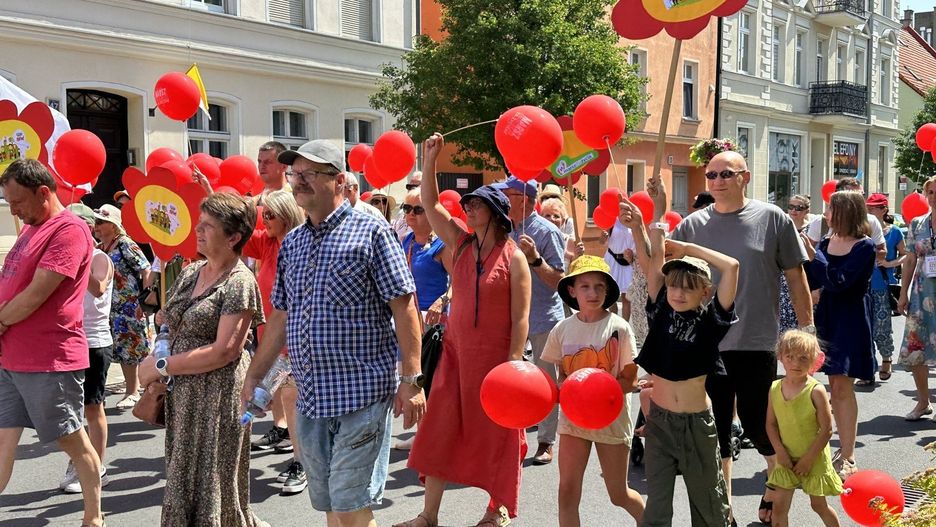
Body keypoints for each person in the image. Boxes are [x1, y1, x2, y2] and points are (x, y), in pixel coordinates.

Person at [242, 139, 425, 527]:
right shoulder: (292, 242)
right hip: (311, 397)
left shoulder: (371, 231)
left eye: (310, 173)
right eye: (295, 173)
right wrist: (255, 375)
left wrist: (412, 379)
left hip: (362, 394)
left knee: (351, 505)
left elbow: (404, 307)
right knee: (330, 504)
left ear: (340, 181)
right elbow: (279, 318)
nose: (299, 181)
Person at [670, 151, 813, 525]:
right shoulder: (692, 225)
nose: (716, 180)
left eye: (725, 174)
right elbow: (667, 276)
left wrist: (806, 330)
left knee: (759, 424)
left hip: (756, 339)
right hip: (707, 345)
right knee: (714, 431)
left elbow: (797, 278)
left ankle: (774, 495)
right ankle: (724, 512)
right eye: (711, 174)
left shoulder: (772, 218)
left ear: (745, 176)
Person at [397, 134, 531, 527]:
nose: (469, 209)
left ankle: (497, 509)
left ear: (495, 211)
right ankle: (429, 514)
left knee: (500, 437)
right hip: (456, 358)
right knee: (439, 431)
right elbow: (431, 203)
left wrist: (512, 364)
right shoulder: (459, 241)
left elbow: (520, 317)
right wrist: (431, 160)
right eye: (468, 204)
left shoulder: (515, 257)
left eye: (476, 204)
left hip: (495, 362)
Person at [138, 192, 267, 526]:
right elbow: (166, 319)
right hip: (184, 394)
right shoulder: (191, 271)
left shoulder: (240, 282)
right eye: (200, 223)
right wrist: (159, 343)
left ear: (234, 237)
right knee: (183, 472)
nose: (198, 230)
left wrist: (162, 365)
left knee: (213, 477)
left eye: (209, 226)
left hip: (218, 395)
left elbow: (225, 350)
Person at [622, 181, 739, 527]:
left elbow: (732, 267)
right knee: (657, 509)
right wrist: (652, 215)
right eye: (673, 285)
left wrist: (690, 248)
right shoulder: (660, 310)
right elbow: (654, 258)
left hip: (697, 425)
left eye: (688, 288)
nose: (678, 292)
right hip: (659, 424)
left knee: (710, 510)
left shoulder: (711, 321)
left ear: (705, 292)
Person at [0, 159, 104, 527]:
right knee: (2, 442)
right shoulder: (32, 227)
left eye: (17, 202)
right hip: (13, 356)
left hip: (49, 359)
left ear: (44, 192)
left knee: (73, 441)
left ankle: (94, 516)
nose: (12, 210)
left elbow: (37, 293)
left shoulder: (70, 230)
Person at [541, 255, 644, 526]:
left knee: (618, 494)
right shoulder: (562, 329)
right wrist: (564, 390)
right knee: (567, 492)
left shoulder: (619, 328)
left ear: (608, 291)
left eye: (599, 286)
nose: (593, 292)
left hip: (611, 420)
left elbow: (630, 381)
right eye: (585, 286)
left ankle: (652, 521)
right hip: (573, 421)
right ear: (572, 291)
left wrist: (595, 394)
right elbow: (561, 375)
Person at [496, 175, 566, 465]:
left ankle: (546, 441)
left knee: (545, 382)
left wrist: (536, 259)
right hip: (509, 319)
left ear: (523, 200)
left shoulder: (546, 231)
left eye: (507, 194)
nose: (502, 200)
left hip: (542, 319)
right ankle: (508, 437)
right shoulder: (501, 230)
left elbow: (559, 281)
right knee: (509, 381)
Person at [242, 190, 308, 495]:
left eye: (269, 214)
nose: (263, 219)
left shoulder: (301, 245)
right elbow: (237, 228)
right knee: (285, 397)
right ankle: (305, 456)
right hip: (270, 337)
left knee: (294, 399)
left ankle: (302, 462)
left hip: (296, 336)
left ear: (286, 214)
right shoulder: (266, 242)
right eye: (262, 214)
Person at [807, 191, 875, 479]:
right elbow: (813, 279)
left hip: (848, 320)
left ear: (846, 211)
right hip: (825, 318)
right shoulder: (825, 241)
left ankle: (848, 455)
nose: (826, 214)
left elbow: (838, 282)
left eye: (831, 209)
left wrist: (814, 255)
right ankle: (826, 449)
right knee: (828, 386)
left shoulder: (864, 246)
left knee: (841, 386)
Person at [59, 204, 115, 495]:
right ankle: (83, 463)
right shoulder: (66, 255)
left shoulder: (99, 257)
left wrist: (79, 255)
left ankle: (97, 468)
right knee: (71, 410)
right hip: (70, 340)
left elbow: (99, 289)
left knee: (93, 408)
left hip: (95, 341)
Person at [765, 330, 842, 527]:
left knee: (819, 505)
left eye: (803, 358)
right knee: (779, 508)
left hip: (814, 458)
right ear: (780, 356)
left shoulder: (816, 390)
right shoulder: (775, 388)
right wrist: (780, 453)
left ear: (815, 359)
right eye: (789, 356)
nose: (796, 363)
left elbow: (826, 430)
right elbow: (771, 424)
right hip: (786, 457)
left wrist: (808, 460)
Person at [92, 204, 152, 409]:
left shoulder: (125, 244)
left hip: (128, 306)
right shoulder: (100, 248)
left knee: (130, 348)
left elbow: (145, 269)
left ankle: (133, 391)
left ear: (114, 226)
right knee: (118, 348)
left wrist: (145, 300)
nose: (96, 226)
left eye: (101, 222)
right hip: (110, 307)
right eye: (96, 222)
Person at [898, 179, 936, 421]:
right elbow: (910, 259)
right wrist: (903, 292)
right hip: (922, 293)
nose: (933, 196)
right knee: (916, 348)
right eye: (930, 192)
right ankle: (923, 402)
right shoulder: (917, 223)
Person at [866, 193, 905, 382]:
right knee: (863, 327)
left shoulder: (894, 232)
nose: (869, 210)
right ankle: (867, 367)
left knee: (882, 326)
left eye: (873, 208)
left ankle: (886, 358)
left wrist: (891, 264)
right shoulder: (862, 230)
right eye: (868, 207)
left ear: (884, 210)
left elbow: (907, 254)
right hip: (861, 286)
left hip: (882, 284)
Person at [805, 177, 884, 249]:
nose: (858, 199)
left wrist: (863, 253)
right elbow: (809, 252)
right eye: (852, 194)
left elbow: (882, 251)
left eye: (861, 195)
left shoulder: (870, 221)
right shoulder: (821, 222)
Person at [778, 195, 816, 335]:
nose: (794, 211)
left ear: (807, 210)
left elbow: (814, 257)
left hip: (805, 277)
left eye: (799, 208)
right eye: (791, 207)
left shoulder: (812, 229)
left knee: (802, 324)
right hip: (783, 279)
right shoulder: (782, 226)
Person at [603, 217, 637, 320]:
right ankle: (614, 323)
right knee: (611, 294)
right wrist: (603, 237)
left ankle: (624, 326)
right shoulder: (612, 219)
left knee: (627, 297)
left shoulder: (636, 219)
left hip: (629, 261)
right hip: (612, 260)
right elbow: (601, 241)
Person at [540, 198, 585, 269]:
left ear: (563, 221)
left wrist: (578, 255)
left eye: (556, 216)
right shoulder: (535, 239)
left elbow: (575, 270)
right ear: (541, 218)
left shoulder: (570, 242)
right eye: (547, 215)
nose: (552, 219)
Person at [391, 172, 422, 240]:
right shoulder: (402, 211)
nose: (411, 189)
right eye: (409, 187)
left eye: (414, 187)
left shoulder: (426, 211)